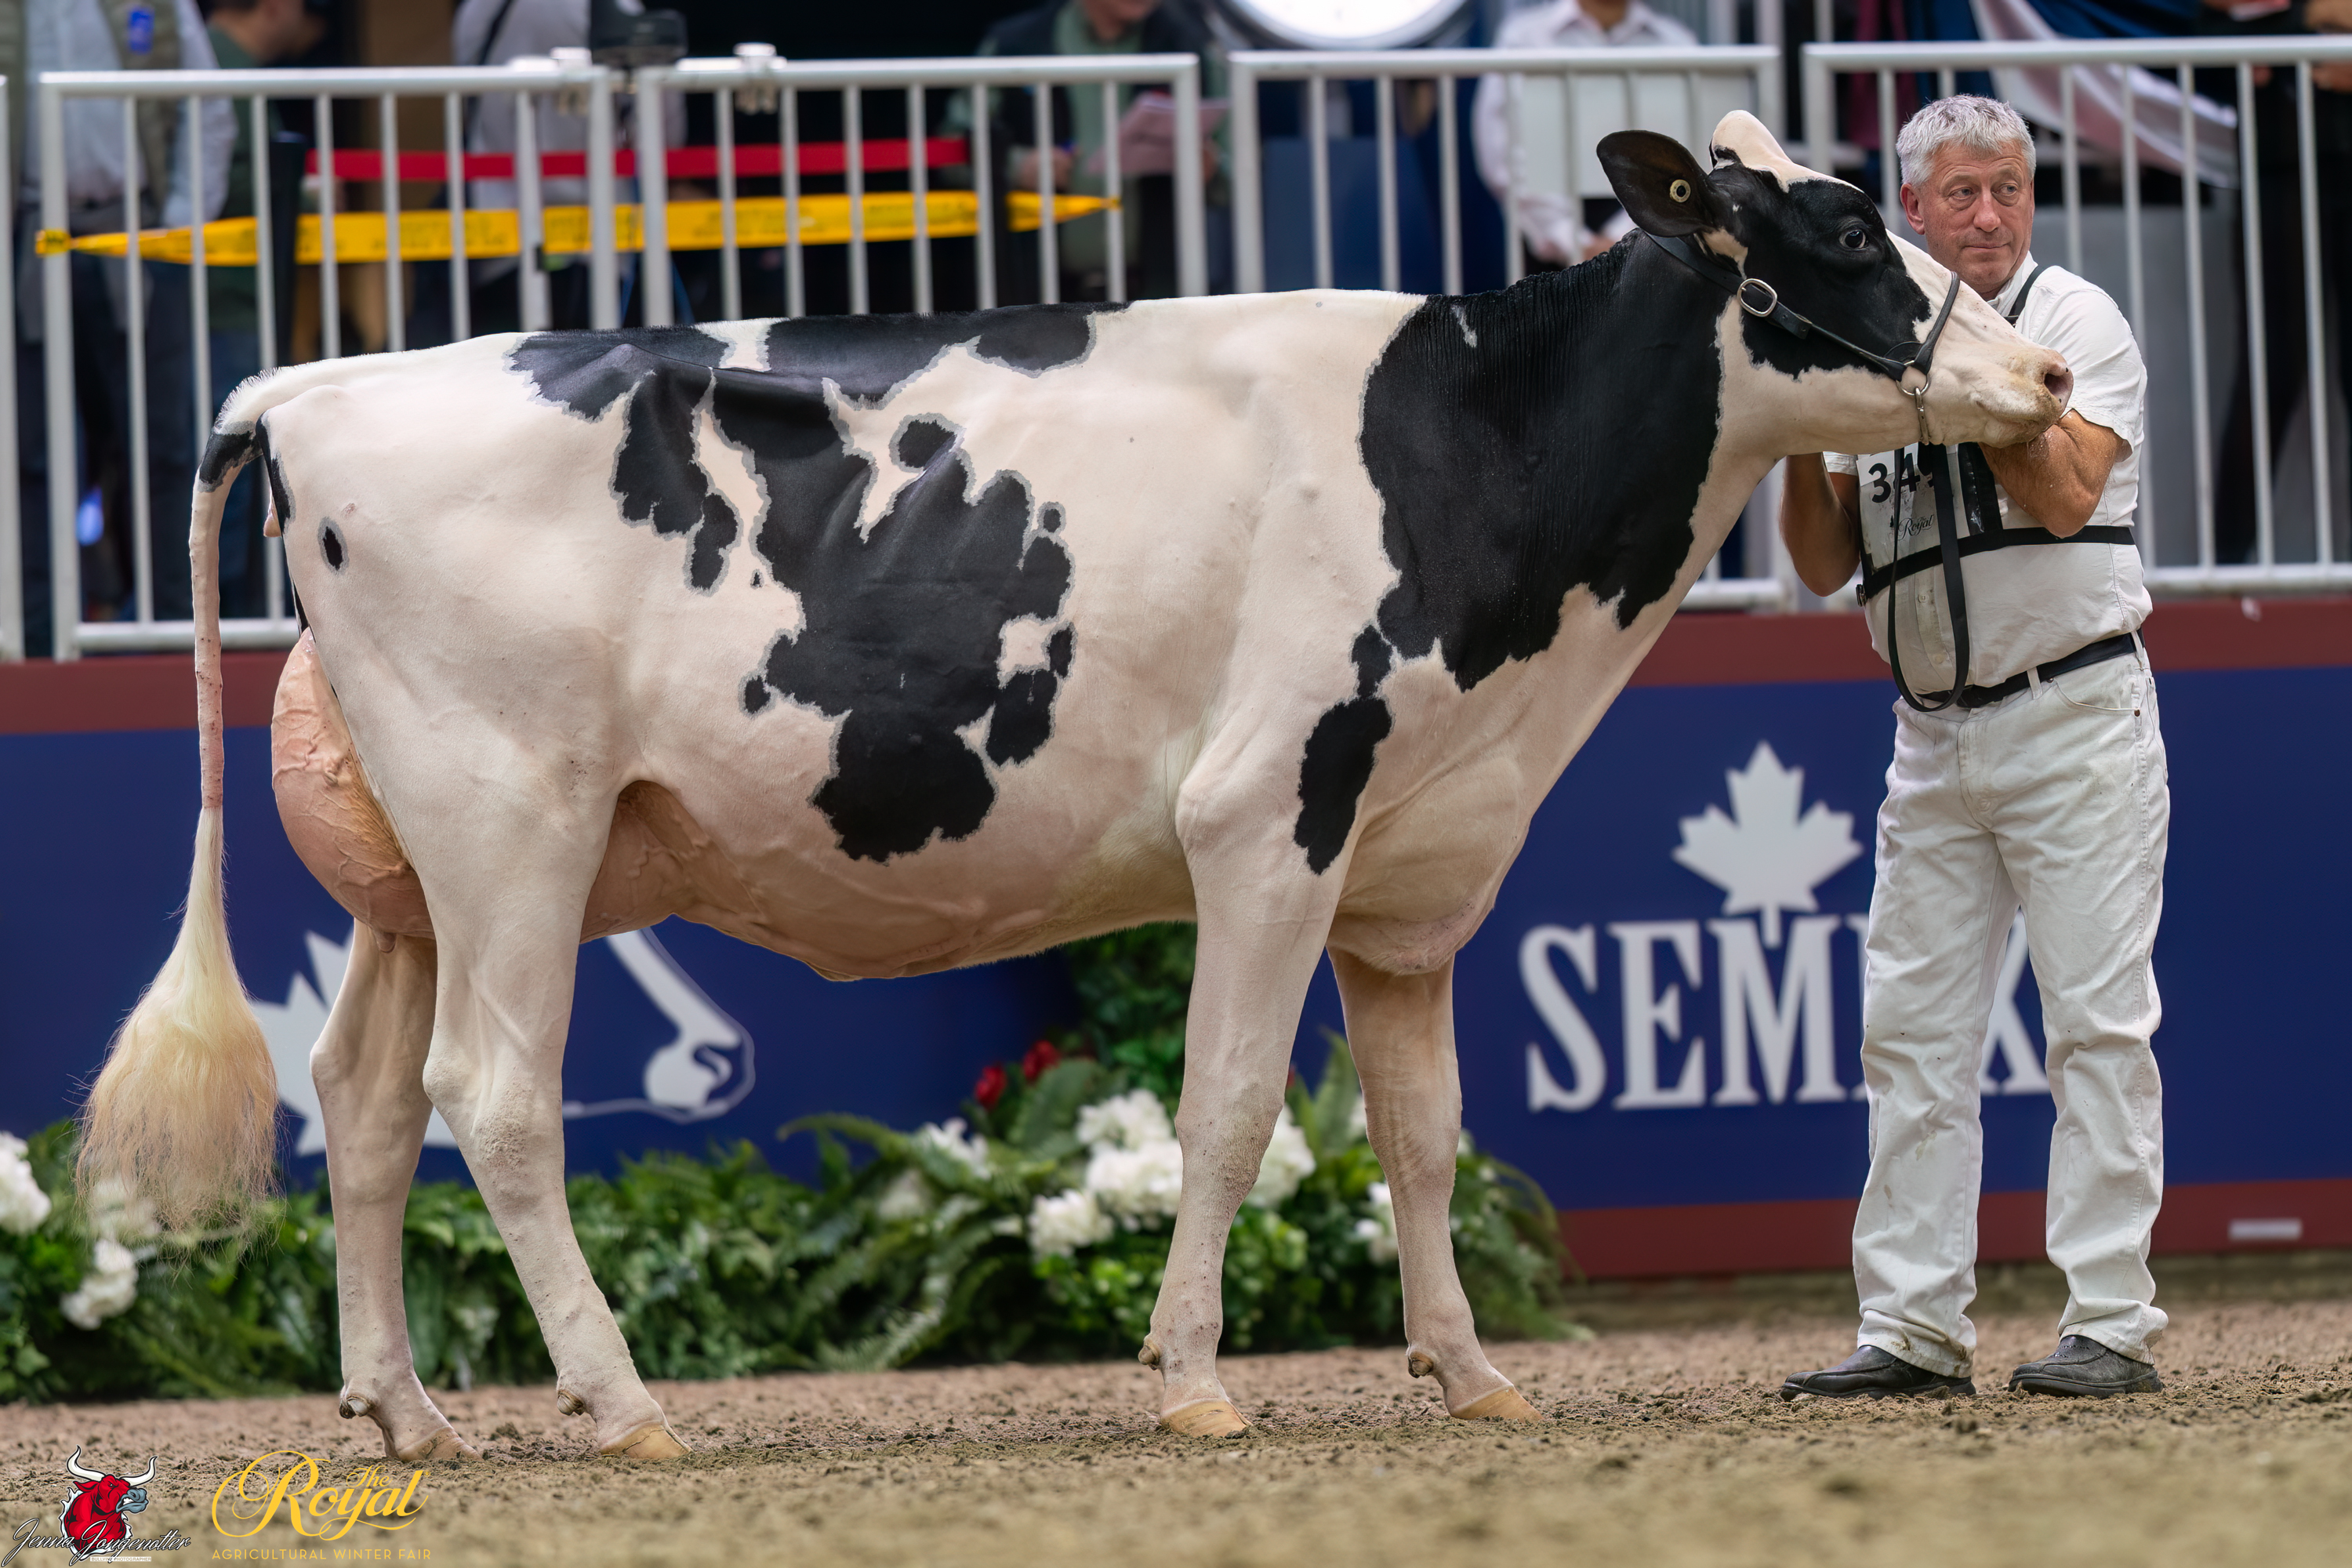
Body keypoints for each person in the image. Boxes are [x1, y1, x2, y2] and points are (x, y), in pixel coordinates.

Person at [1777, 95, 2170, 1401]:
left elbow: (2064, 498)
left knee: (2098, 1026)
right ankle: (1911, 1327)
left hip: (2073, 711)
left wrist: (1972, 383)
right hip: (1929, 731)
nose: (1990, 214)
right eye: (1961, 192)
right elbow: (1821, 561)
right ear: (1914, 210)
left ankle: (2111, 1321)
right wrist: (1806, 423)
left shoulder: (2074, 321)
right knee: (1909, 1033)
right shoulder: (1875, 339)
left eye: (2008, 187)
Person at [5, 0, 234, 652]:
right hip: (28, 234)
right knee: (29, 452)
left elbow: (206, 105)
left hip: (138, 230)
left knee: (163, 446)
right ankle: (39, 636)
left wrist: (179, 227)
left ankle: (175, 629)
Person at [955, 0, 1225, 303]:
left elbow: (1238, 164)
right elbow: (953, 148)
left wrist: (1210, 168)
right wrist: (1018, 166)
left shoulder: (1191, 43)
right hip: (1040, 299)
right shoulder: (1016, 43)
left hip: (1157, 296)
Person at [201, 0, 322, 619]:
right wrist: (304, 193)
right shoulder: (226, 67)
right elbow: (237, 185)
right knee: (233, 464)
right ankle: (235, 611)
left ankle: (233, 608)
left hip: (224, 300)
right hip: (228, 303)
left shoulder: (215, 58)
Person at [1472, 0, 1699, 264]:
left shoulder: (1677, 43)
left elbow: (1692, 147)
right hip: (1548, 247)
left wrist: (1627, 236)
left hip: (1656, 244)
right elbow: (1501, 148)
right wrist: (1569, 239)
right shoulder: (1524, 39)